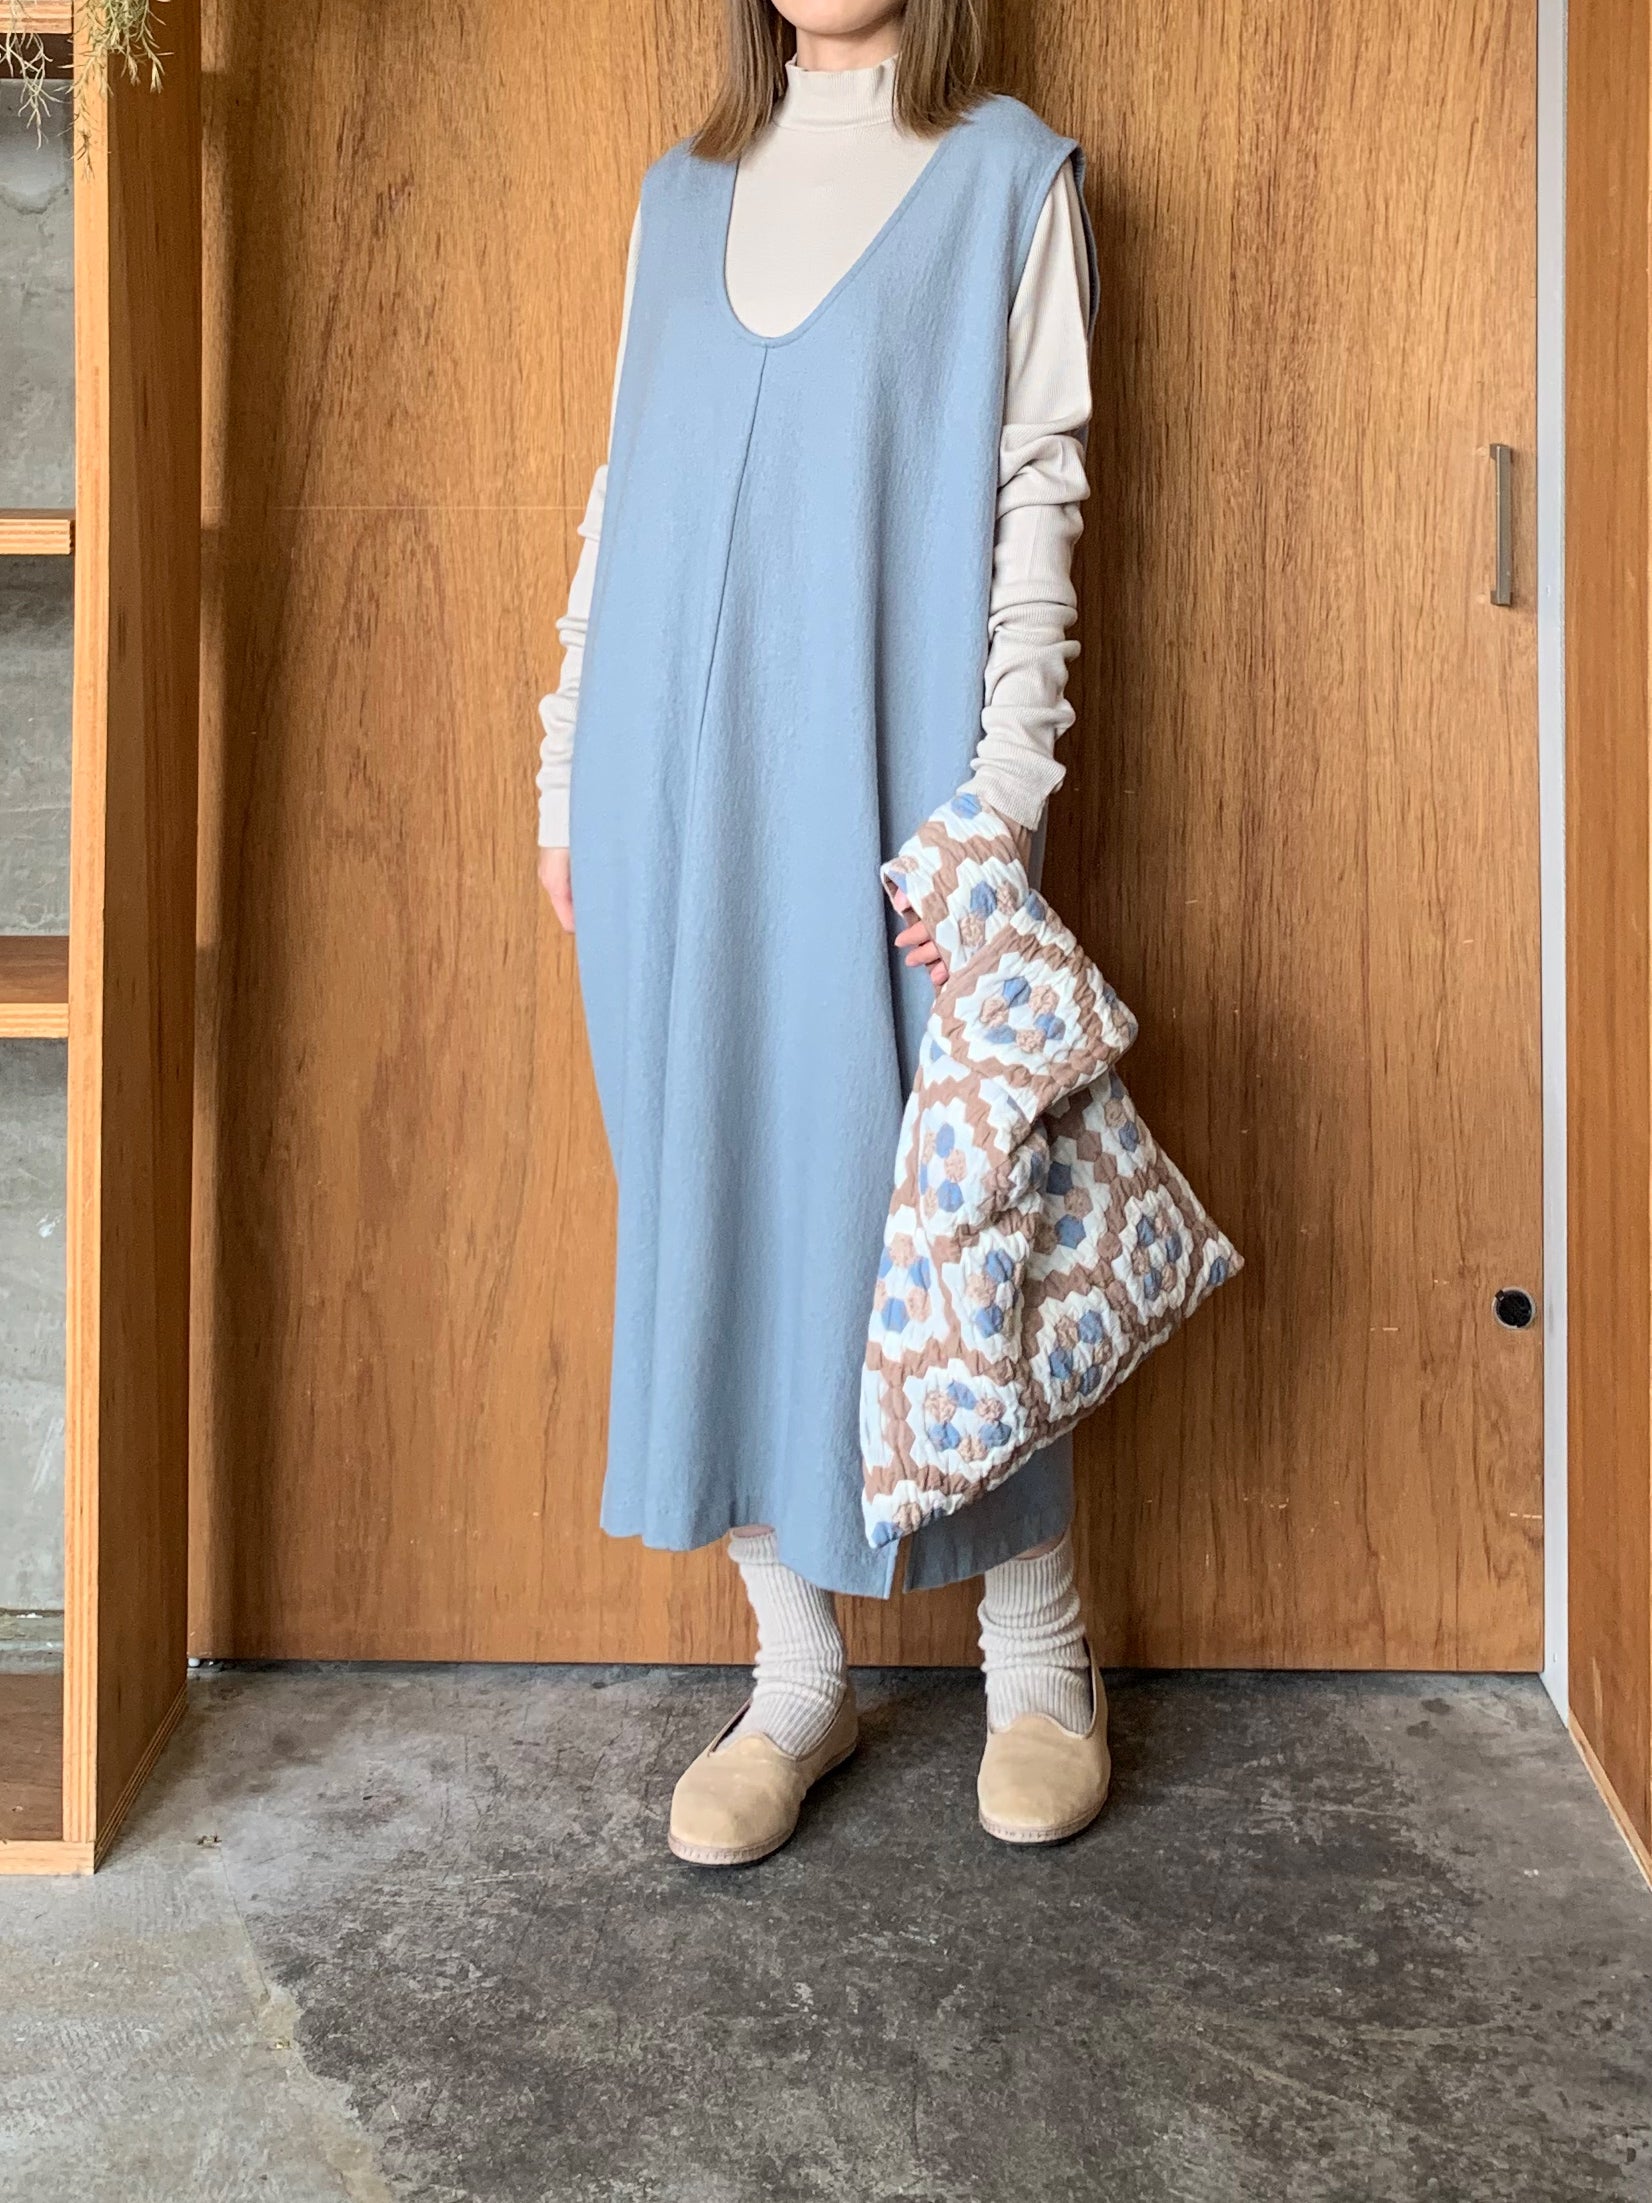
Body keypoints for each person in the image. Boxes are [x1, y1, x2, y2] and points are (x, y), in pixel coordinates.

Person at [536, 0, 1106, 1864]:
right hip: (662, 797)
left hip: (895, 800)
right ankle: (796, 1675)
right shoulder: (678, 193)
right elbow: (620, 498)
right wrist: (564, 777)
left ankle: (1040, 1658)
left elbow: (1037, 500)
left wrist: (998, 808)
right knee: (712, 1197)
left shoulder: (1008, 178)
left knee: (946, 1207)